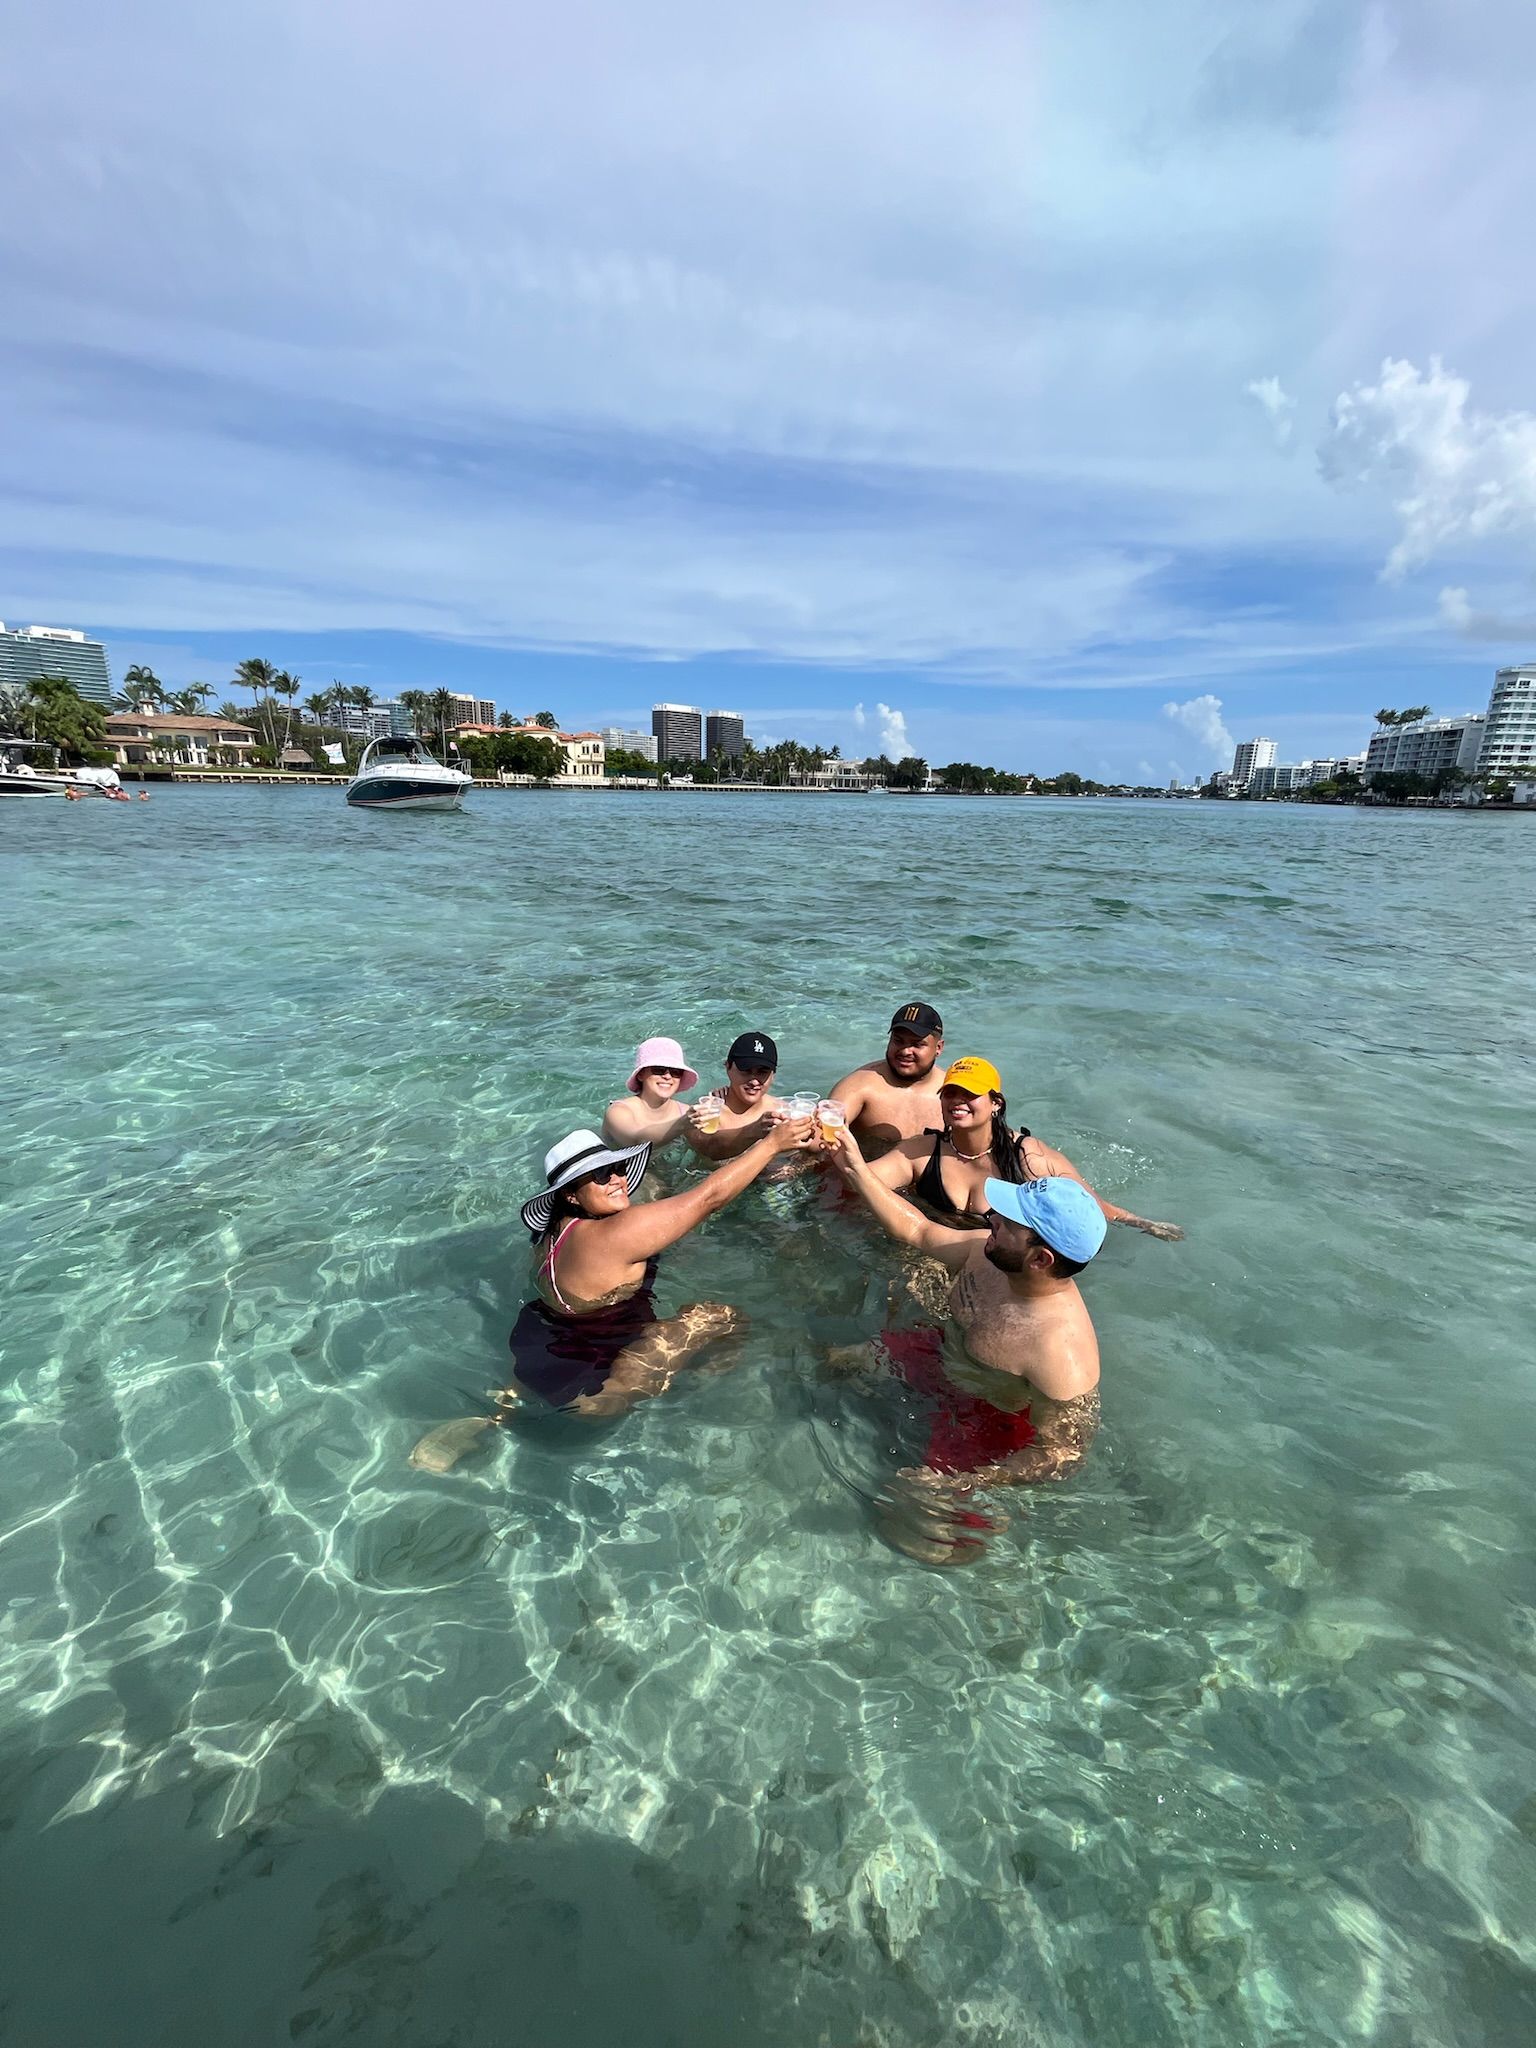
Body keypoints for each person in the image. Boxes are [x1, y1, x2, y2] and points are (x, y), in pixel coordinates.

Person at [411, 1113, 818, 1470]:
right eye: (601, 1175)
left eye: (618, 1167)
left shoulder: (551, 1238)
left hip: (538, 1350)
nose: (618, 1178)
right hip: (598, 1388)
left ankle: (494, 1418)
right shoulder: (617, 1234)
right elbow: (709, 1197)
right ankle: (693, 1398)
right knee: (720, 1317)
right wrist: (772, 1144)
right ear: (571, 1194)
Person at [833, 1128, 1108, 1561]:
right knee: (833, 1364)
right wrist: (854, 1165)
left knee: (912, 1523)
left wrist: (972, 1481)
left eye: (1009, 1222)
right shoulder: (986, 1251)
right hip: (943, 1351)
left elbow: (1063, 1452)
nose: (991, 1219)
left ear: (1040, 1259)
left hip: (987, 1419)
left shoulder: (1059, 1352)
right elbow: (919, 1231)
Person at [863, 1054, 1183, 1239]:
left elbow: (1090, 1205)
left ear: (996, 1104)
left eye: (970, 1093)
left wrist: (1143, 1225)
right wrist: (827, 1148)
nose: (957, 1100)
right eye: (950, 1092)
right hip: (931, 1247)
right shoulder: (921, 1150)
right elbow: (864, 1179)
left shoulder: (1027, 1157)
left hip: (996, 1257)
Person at [829, 1002, 949, 1155]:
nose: (905, 1051)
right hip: (867, 1172)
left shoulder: (954, 1091)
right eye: (898, 1041)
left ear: (938, 1048)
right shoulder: (861, 1086)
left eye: (917, 1044)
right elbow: (823, 1135)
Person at [684, 1031, 787, 1161]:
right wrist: (754, 1130)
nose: (754, 1081)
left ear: (773, 1075)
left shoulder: (785, 1110)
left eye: (762, 1072)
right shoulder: (705, 1113)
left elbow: (815, 1146)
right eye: (746, 1071)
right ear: (728, 1067)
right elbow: (709, 1147)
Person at [601, 1035, 700, 1150]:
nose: (667, 1076)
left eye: (675, 1072)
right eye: (659, 1070)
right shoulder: (618, 1111)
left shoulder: (686, 1113)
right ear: (641, 1075)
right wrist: (683, 1124)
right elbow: (636, 1142)